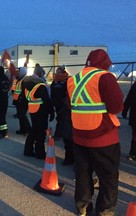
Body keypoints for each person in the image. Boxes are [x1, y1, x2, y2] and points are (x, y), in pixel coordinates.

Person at [67, 49, 123, 215]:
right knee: (108, 177)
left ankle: (83, 206)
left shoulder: (73, 80)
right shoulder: (105, 77)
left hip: (79, 136)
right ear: (106, 63)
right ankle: (104, 210)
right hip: (104, 137)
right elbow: (116, 107)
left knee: (83, 173)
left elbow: (72, 106)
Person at [22, 65, 54, 159]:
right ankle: (40, 153)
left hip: (32, 110)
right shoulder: (40, 86)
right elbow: (46, 100)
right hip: (41, 111)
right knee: (41, 132)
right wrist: (51, 112)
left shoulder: (27, 85)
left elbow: (25, 99)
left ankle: (28, 150)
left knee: (34, 130)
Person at [50, 66, 69, 140]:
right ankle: (61, 134)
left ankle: (59, 134)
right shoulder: (55, 81)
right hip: (56, 103)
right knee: (60, 118)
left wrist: (65, 100)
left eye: (59, 72)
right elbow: (52, 90)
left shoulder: (66, 81)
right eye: (57, 71)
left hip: (63, 103)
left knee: (61, 119)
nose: (57, 73)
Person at [13, 67, 31, 135]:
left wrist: (21, 98)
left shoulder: (24, 80)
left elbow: (25, 91)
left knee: (22, 116)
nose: (17, 72)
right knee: (20, 116)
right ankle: (22, 129)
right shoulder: (19, 79)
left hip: (22, 101)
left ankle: (29, 130)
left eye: (18, 71)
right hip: (18, 101)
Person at [122, 81, 136, 161]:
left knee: (134, 135)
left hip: (134, 115)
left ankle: (132, 154)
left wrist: (125, 110)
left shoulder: (135, 85)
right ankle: (132, 154)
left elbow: (129, 98)